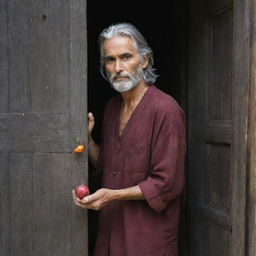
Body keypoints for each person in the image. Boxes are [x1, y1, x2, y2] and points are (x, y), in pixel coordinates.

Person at [72, 23, 186, 256]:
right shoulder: (112, 107)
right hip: (110, 232)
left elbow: (166, 183)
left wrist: (113, 195)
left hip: (146, 237)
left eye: (125, 57)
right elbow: (106, 165)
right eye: (110, 60)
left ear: (145, 60)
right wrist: (88, 139)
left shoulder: (166, 110)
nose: (118, 67)